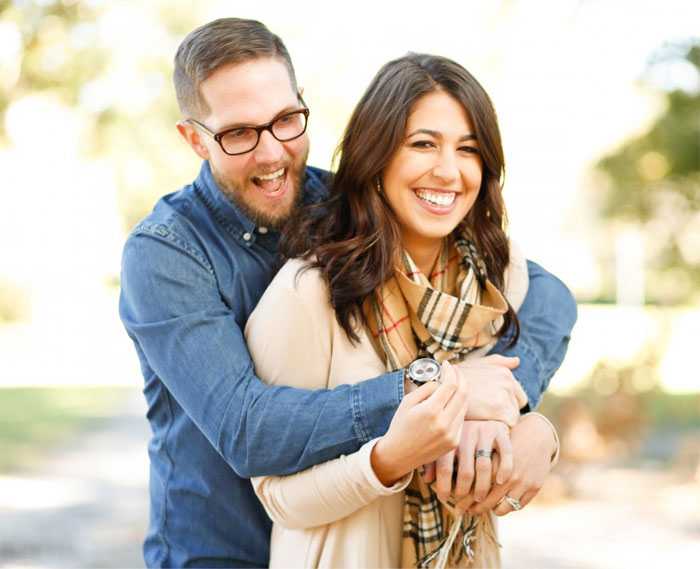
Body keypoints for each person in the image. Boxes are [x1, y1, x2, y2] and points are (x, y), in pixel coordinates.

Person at [118, 18, 577, 569]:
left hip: (349, 538)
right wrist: (433, 390)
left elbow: (546, 294)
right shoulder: (166, 253)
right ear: (194, 138)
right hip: (219, 551)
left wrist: (510, 408)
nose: (271, 154)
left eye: (286, 120)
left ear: (302, 105)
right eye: (238, 133)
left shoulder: (347, 205)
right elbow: (248, 429)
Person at [245, 53, 562, 568]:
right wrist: (390, 457)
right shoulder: (310, 293)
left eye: (468, 149)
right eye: (422, 144)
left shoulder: (494, 277)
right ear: (378, 157)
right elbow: (277, 495)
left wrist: (538, 433)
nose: (448, 170)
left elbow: (506, 394)